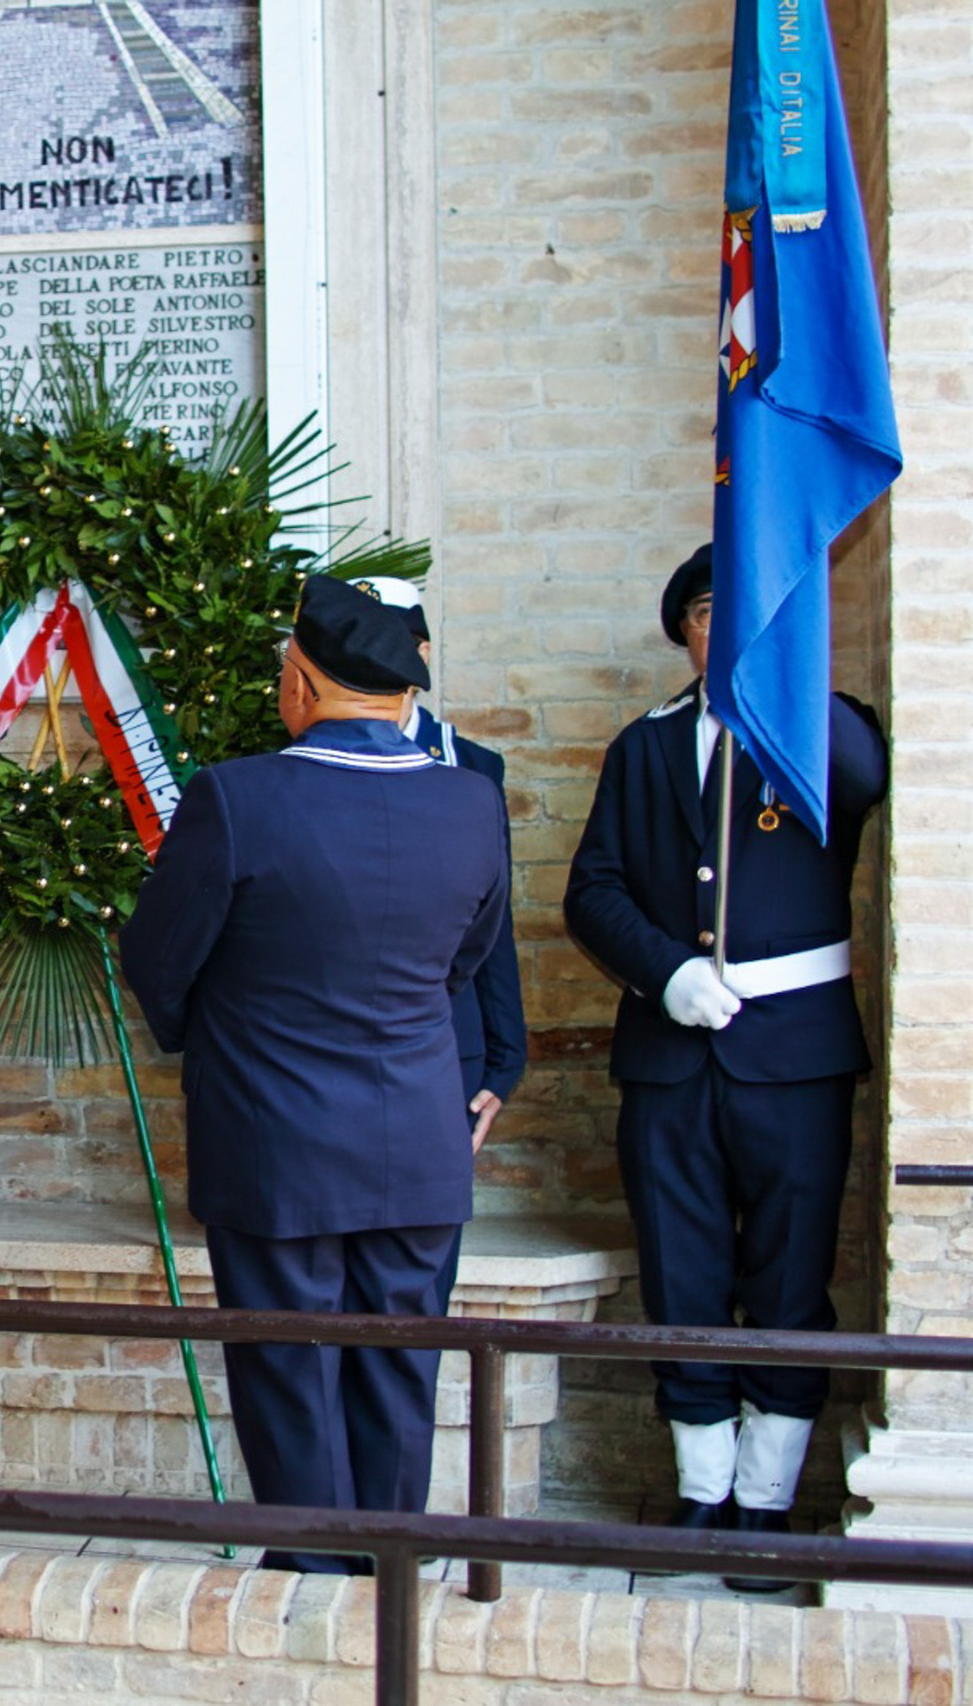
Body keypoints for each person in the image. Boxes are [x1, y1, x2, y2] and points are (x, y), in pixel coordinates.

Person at [119, 574, 509, 1575]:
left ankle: (310, 1582)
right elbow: (464, 959)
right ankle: (387, 1576)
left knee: (288, 1370)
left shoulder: (237, 797)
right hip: (415, 1142)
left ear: (299, 679)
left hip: (274, 1143)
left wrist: (225, 1032)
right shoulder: (471, 802)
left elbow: (157, 960)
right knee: (397, 1373)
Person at [563, 546, 886, 1572]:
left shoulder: (824, 731)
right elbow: (594, 890)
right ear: (684, 630)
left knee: (787, 1274)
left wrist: (789, 666)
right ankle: (702, 1488)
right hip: (671, 1055)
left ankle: (764, 1497)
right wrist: (664, 972)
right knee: (682, 1272)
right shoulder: (644, 746)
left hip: (792, 1058)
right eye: (710, 612)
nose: (725, 627)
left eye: (748, 611)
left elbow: (866, 778)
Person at [352, 576, 528, 1142]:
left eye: (387, 646)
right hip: (329, 1045)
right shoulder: (291, 767)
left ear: (421, 655)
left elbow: (492, 923)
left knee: (428, 1222)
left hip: (446, 1039)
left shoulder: (471, 769)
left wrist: (505, 1058)